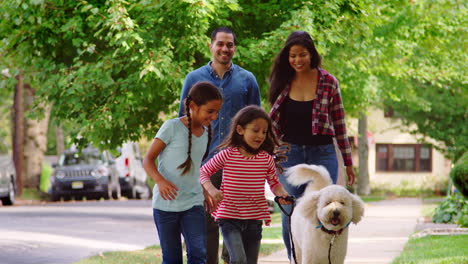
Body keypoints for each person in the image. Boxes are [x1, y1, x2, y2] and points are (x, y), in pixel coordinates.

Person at [268, 30, 356, 259]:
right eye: (292, 56)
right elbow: (271, 127)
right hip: (290, 154)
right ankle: (295, 259)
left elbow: (340, 125)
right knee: (290, 212)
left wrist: (348, 163)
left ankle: (328, 257)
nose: (297, 60)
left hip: (323, 153)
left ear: (312, 54)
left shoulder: (328, 82)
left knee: (328, 209)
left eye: (302, 55)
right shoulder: (282, 82)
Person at [178, 27, 261, 264]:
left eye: (230, 45)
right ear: (211, 45)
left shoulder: (248, 80)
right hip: (205, 164)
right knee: (206, 226)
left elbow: (258, 122)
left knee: (238, 223)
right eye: (220, 44)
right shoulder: (193, 79)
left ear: (235, 47)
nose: (225, 49)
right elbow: (183, 121)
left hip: (239, 165)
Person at [200, 105, 292, 264]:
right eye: (255, 130)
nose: (260, 136)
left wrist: (282, 194)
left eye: (264, 132)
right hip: (229, 217)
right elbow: (203, 172)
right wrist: (211, 189)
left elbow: (274, 184)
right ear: (240, 130)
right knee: (238, 260)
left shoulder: (266, 159)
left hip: (254, 219)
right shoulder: (228, 154)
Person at [143, 81, 223, 264]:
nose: (214, 116)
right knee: (172, 259)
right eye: (210, 111)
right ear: (193, 106)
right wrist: (160, 181)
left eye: (217, 112)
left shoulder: (205, 133)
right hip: (165, 207)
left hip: (193, 203)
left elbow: (196, 169)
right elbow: (148, 160)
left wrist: (204, 192)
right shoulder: (171, 127)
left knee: (198, 255)